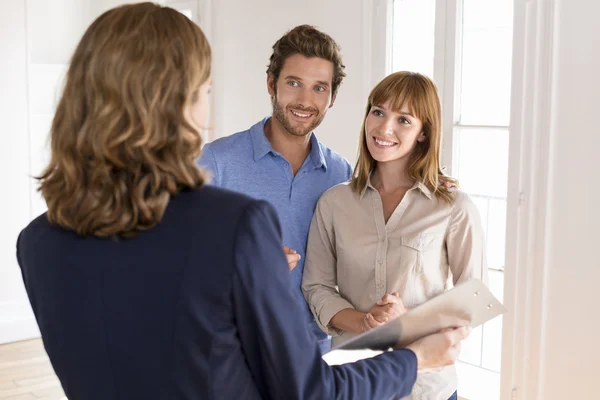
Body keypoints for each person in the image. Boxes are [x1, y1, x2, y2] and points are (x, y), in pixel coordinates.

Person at [15, 4, 470, 400]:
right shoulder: (232, 222)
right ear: (181, 102)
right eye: (205, 90)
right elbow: (306, 392)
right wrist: (414, 357)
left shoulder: (36, 244)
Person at [302, 71, 489, 400]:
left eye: (404, 119)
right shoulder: (334, 202)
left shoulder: (453, 207)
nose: (384, 128)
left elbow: (472, 301)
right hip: (353, 382)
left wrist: (406, 324)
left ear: (423, 133)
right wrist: (364, 323)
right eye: (378, 112)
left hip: (425, 388)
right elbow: (316, 286)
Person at [197, 24, 353, 352]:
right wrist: (249, 262)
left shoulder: (341, 174)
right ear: (271, 83)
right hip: (234, 351)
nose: (305, 100)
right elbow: (181, 255)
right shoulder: (217, 161)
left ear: (333, 98)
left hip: (313, 356)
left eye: (319, 88)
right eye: (294, 83)